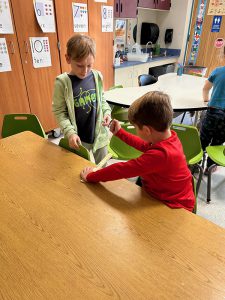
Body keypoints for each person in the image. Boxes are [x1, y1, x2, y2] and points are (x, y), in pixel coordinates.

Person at [80, 91, 195, 212]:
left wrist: (91, 176)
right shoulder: (169, 138)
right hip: (163, 194)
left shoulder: (161, 155)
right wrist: (120, 133)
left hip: (174, 206)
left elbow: (122, 170)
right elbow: (144, 146)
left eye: (135, 127)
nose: (135, 130)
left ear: (146, 130)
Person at [52, 34, 111, 164]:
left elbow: (102, 100)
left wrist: (107, 113)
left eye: (89, 65)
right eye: (79, 65)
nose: (85, 71)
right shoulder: (62, 82)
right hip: (78, 138)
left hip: (99, 135)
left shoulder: (97, 76)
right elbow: (59, 112)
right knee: (77, 169)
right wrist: (70, 133)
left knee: (103, 168)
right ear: (68, 58)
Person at [200, 58, 225, 174]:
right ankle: (210, 167)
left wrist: (206, 99)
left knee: (203, 139)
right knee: (218, 142)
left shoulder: (217, 71)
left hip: (213, 111)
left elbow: (206, 88)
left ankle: (196, 164)